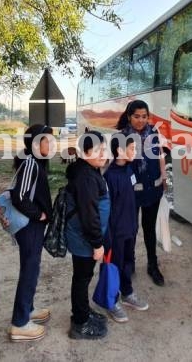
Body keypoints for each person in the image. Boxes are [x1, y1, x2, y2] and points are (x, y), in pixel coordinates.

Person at [5, 124, 54, 341]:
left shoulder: (37, 162)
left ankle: (28, 308)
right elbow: (19, 196)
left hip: (33, 226)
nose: (51, 143)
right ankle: (20, 323)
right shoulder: (31, 164)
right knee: (29, 270)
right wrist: (39, 215)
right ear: (35, 143)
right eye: (47, 140)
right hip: (29, 227)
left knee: (32, 268)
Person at [115, 100, 168, 286]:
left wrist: (164, 176)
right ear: (129, 116)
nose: (141, 120)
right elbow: (116, 167)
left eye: (144, 116)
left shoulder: (154, 132)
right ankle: (129, 265)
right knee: (130, 229)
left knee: (149, 229)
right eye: (137, 116)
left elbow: (160, 154)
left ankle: (153, 265)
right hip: (130, 194)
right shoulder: (121, 137)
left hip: (152, 191)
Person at [64, 131, 110, 340]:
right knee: (82, 278)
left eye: (104, 148)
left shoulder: (89, 170)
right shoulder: (86, 177)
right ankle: (80, 323)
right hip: (84, 238)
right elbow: (89, 214)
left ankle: (83, 312)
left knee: (83, 276)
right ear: (84, 152)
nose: (103, 153)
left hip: (84, 237)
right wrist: (97, 244)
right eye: (97, 149)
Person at [103, 135, 149, 323]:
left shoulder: (129, 169)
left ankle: (127, 293)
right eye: (132, 148)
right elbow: (106, 209)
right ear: (120, 151)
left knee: (129, 261)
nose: (135, 152)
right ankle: (111, 301)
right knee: (114, 265)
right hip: (116, 232)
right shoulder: (109, 176)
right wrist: (108, 236)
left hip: (130, 226)